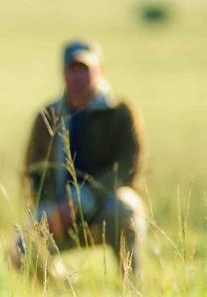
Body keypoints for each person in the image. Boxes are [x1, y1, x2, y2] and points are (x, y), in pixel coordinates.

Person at [11, 40, 147, 283]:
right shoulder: (48, 116)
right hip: (59, 215)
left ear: (100, 70)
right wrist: (50, 211)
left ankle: (132, 285)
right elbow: (34, 173)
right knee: (20, 250)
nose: (78, 77)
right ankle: (61, 288)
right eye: (72, 69)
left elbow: (128, 167)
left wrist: (83, 200)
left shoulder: (120, 113)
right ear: (63, 73)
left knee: (127, 208)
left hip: (104, 207)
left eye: (84, 69)